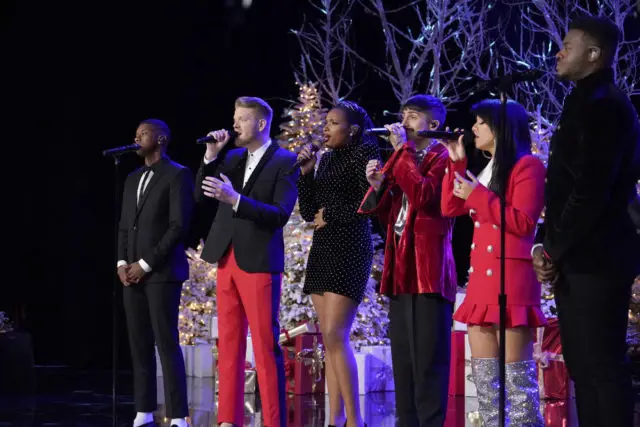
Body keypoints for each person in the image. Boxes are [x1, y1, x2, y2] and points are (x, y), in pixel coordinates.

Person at [532, 16, 640, 427]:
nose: (559, 52)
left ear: (593, 55)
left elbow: (591, 190)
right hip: (576, 256)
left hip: (600, 256)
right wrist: (548, 245)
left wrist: (553, 248)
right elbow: (562, 189)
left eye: (568, 45)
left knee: (602, 366)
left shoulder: (606, 104)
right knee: (582, 366)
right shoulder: (582, 100)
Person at [441, 99, 546, 426]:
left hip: (511, 281)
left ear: (500, 127)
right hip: (482, 284)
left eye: (480, 122)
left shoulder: (528, 166)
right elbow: (448, 207)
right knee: (486, 385)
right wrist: (456, 163)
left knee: (518, 384)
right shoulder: (485, 170)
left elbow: (523, 222)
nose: (473, 128)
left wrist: (477, 195)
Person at [196, 97, 298, 427]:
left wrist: (237, 200)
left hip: (259, 261)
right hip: (227, 258)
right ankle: (228, 418)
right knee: (228, 343)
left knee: (266, 348)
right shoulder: (234, 157)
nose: (235, 124)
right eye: (234, 117)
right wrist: (211, 156)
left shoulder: (286, 161)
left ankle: (273, 422)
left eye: (242, 119)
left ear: (261, 123)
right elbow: (201, 195)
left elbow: (280, 214)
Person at [358, 94, 457, 427]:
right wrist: (378, 185)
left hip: (429, 270)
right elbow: (390, 215)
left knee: (429, 359)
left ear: (433, 124)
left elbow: (424, 197)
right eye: (403, 116)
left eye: (412, 117)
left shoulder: (444, 157)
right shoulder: (408, 157)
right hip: (401, 269)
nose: (403, 123)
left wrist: (401, 152)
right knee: (404, 358)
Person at [296, 101, 380, 427]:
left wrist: (328, 215)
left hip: (350, 247)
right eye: (326, 122)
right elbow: (308, 212)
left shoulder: (366, 155)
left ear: (353, 130)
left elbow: (367, 206)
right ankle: (335, 419)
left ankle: (356, 420)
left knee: (335, 333)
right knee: (329, 340)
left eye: (333, 123)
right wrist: (306, 172)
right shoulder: (327, 158)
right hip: (323, 250)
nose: (326, 129)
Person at [117, 119, 194, 427]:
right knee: (138, 342)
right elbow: (125, 225)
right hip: (130, 275)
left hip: (161, 273)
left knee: (166, 342)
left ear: (161, 138)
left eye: (143, 133)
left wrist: (145, 263)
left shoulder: (178, 174)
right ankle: (143, 408)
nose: (136, 137)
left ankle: (177, 414)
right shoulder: (132, 178)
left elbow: (178, 226)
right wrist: (122, 264)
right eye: (135, 133)